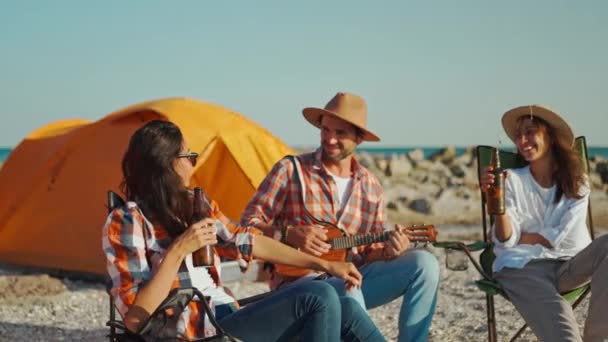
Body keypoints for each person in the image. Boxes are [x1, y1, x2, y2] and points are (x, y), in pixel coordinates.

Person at [102, 120, 385, 341]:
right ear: (166, 165)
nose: (193, 162)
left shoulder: (194, 204)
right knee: (319, 296)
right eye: (188, 155)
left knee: (342, 305)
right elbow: (135, 320)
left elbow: (248, 242)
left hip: (227, 315)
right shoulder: (128, 220)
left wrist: (322, 263)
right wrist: (178, 251)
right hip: (197, 331)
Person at [241, 92, 440, 342]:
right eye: (325, 130)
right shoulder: (290, 170)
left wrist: (391, 250)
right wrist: (288, 233)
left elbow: (370, 252)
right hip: (301, 285)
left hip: (351, 276)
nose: (330, 139)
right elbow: (245, 227)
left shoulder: (370, 186)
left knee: (425, 264)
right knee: (350, 288)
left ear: (359, 138)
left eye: (340, 133)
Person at [480, 105, 608, 342]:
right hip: (522, 268)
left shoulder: (577, 181)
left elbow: (561, 237)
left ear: (550, 135)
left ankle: (596, 338)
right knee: (564, 333)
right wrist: (495, 203)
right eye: (518, 136)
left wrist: (527, 237)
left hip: (570, 265)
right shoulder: (511, 181)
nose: (522, 140)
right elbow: (507, 239)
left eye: (530, 132)